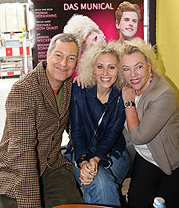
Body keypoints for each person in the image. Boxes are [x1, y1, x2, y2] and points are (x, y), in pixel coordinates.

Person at [0, 33, 83, 208]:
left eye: (71, 58)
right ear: (48, 54)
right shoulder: (24, 90)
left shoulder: (69, 86)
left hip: (51, 164)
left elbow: (74, 125)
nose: (63, 63)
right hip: (15, 168)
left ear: (76, 63)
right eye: (59, 55)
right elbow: (22, 151)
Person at [65, 41, 130, 207]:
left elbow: (112, 134)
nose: (105, 73)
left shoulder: (122, 94)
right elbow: (76, 130)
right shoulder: (79, 89)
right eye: (100, 67)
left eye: (112, 67)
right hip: (79, 151)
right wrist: (83, 160)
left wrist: (96, 159)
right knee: (100, 184)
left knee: (97, 184)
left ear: (120, 69)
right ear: (92, 68)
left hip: (115, 153)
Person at [120, 37, 179, 208]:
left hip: (170, 161)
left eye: (138, 67)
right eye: (126, 69)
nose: (133, 75)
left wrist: (129, 103)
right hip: (146, 157)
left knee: (160, 205)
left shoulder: (163, 94)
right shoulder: (128, 87)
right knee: (136, 202)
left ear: (149, 66)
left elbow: (138, 137)